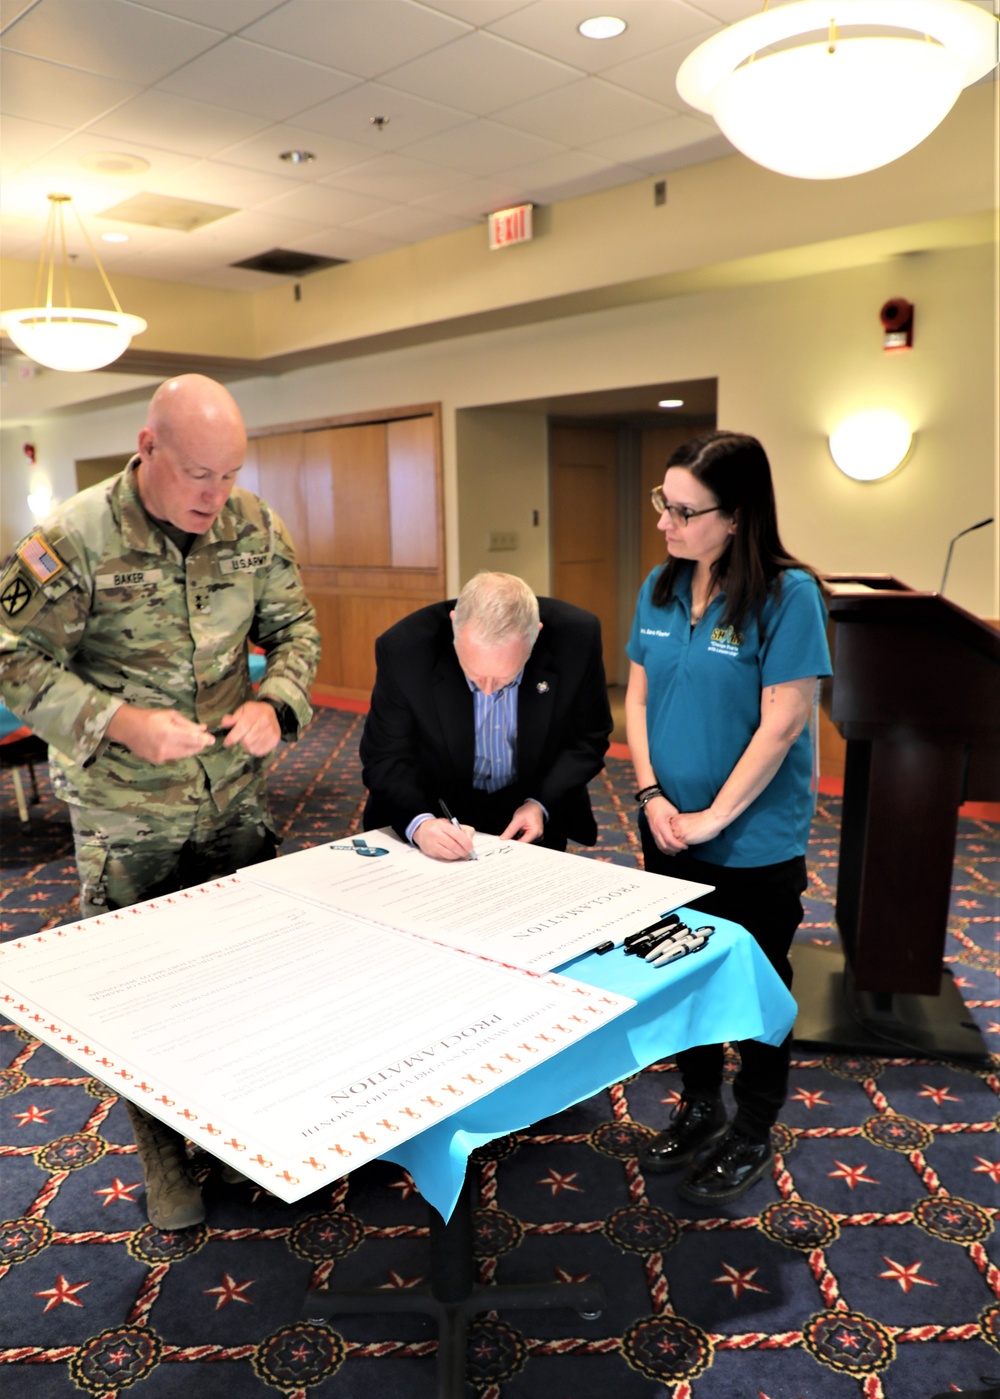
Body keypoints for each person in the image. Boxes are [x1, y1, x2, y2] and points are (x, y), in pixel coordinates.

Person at [0, 374, 320, 1231]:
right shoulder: (71, 540)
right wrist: (116, 722)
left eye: (231, 474)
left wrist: (275, 703)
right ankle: (167, 1163)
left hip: (232, 803)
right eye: (198, 476)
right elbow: (12, 658)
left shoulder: (254, 527)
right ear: (148, 451)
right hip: (125, 813)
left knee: (252, 975)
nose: (217, 497)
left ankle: (240, 1130)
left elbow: (297, 631)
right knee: (146, 994)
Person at [626, 431, 831, 1205]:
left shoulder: (790, 595)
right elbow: (638, 698)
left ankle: (753, 1125)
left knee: (755, 986)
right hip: (668, 829)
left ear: (737, 516)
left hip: (749, 841)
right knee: (681, 975)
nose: (665, 523)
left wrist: (712, 818)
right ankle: (701, 1102)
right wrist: (651, 797)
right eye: (662, 504)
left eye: (683, 510)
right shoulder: (660, 586)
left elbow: (782, 724)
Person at [359, 571, 612, 859]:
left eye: (506, 679)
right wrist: (422, 825)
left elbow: (588, 738)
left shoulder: (576, 639)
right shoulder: (405, 650)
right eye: (475, 677)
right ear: (455, 624)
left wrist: (539, 805)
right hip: (434, 807)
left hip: (532, 803)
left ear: (535, 635)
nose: (489, 692)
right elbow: (385, 757)